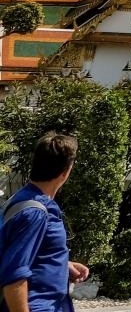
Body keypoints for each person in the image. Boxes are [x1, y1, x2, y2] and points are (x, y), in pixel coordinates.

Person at [2, 133, 86, 312]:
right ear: (66, 171)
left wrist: (63, 264)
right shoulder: (34, 212)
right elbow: (14, 274)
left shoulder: (26, 200)